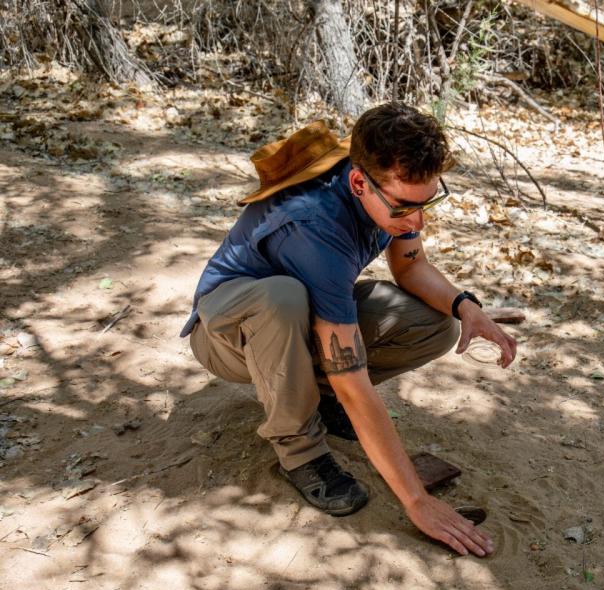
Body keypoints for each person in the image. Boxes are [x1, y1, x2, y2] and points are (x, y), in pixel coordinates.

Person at [181, 102, 516, 557]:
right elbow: (352, 380)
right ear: (359, 183)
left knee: (434, 323)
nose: (416, 221)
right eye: (406, 207)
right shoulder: (315, 224)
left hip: (295, 320)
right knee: (283, 298)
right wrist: (417, 501)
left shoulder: (386, 185)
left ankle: (314, 398)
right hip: (227, 333)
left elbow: (411, 266)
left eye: (428, 203)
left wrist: (465, 306)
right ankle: (299, 451)